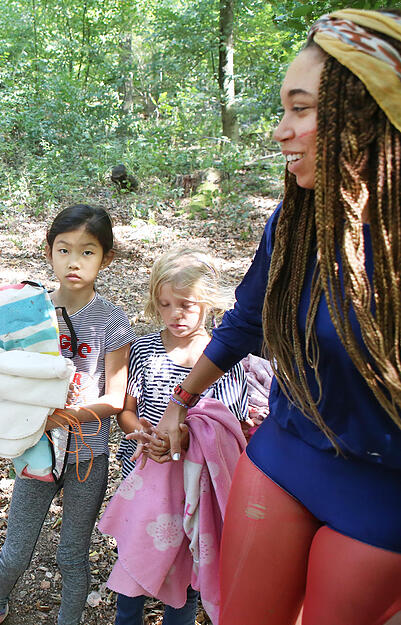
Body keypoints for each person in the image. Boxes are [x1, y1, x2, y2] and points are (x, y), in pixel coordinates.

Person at [151, 9, 401, 625]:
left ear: (364, 117)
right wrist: (181, 400)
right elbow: (247, 319)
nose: (280, 131)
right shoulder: (296, 224)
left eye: (302, 109)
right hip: (286, 455)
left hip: (382, 494)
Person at [0, 204, 134, 625]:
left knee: (72, 554)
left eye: (87, 252)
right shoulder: (29, 311)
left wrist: (64, 416)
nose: (74, 262)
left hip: (87, 455)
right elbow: (11, 377)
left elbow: (116, 399)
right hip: (36, 447)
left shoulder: (112, 320)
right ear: (49, 252)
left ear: (106, 258)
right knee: (18, 545)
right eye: (64, 250)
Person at [111, 247, 248, 625]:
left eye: (186, 304)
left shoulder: (223, 358)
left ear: (208, 303)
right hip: (142, 486)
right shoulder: (144, 350)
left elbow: (227, 424)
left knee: (184, 580)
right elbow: (126, 412)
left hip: (193, 491)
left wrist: (184, 439)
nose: (175, 314)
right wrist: (142, 433)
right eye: (165, 304)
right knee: (132, 571)